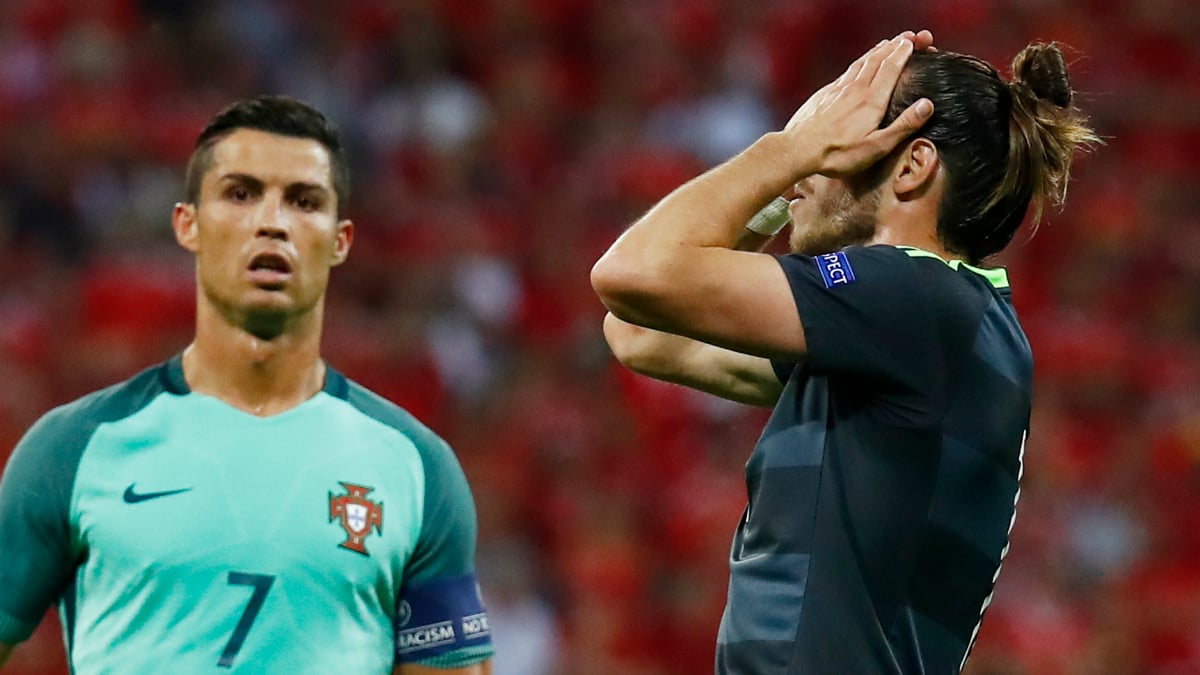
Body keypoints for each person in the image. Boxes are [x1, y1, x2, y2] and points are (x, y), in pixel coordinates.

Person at [591, 30, 1098, 674]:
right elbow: (641, 332)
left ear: (912, 166)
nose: (810, 168)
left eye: (839, 137)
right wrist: (785, 186)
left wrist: (785, 151)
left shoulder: (914, 296)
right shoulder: (925, 327)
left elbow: (633, 274)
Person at [0, 96, 494, 674]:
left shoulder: (417, 468)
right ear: (188, 224)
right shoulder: (71, 449)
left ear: (341, 240)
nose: (272, 222)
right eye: (240, 193)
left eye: (304, 201)